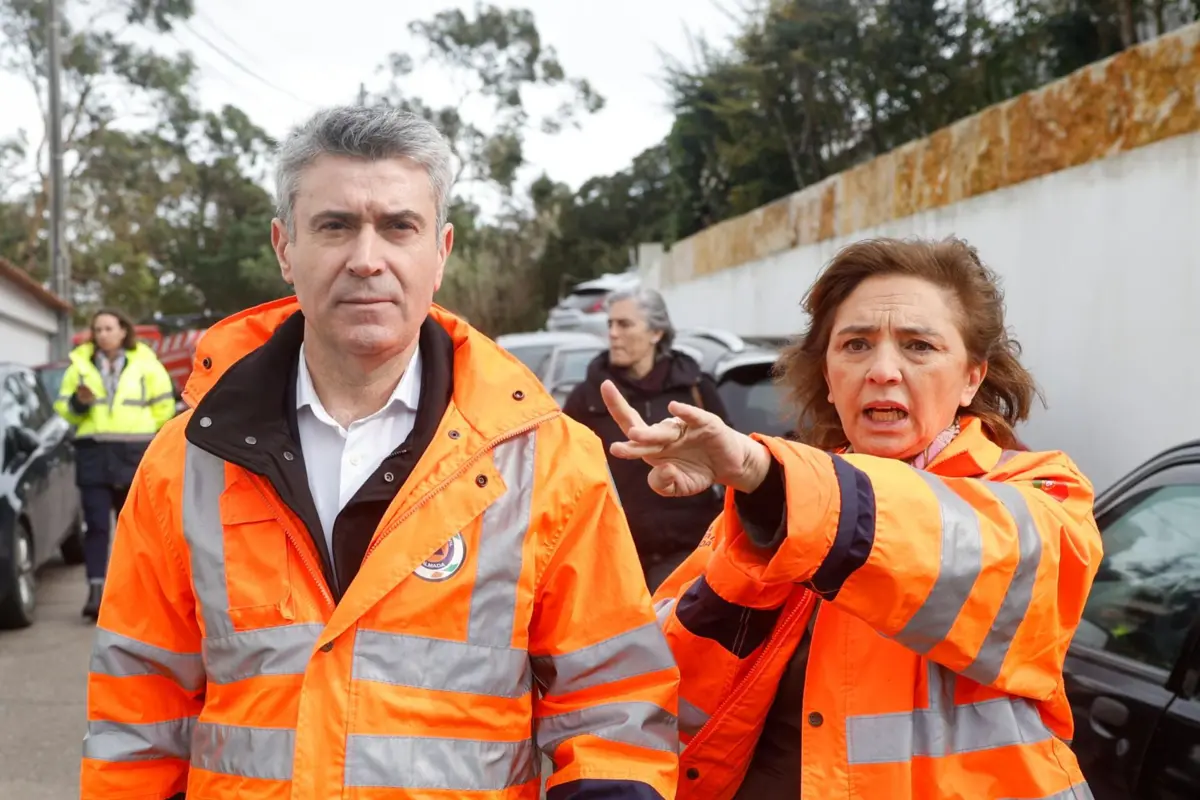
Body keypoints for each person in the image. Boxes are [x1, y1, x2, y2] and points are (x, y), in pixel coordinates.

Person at [81, 106, 679, 800]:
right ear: (284, 247)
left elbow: (612, 711)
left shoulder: (547, 462)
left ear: (441, 252)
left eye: (399, 226)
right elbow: (138, 714)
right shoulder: (185, 464)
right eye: (335, 226)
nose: (367, 259)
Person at [602, 237, 1102, 799]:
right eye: (856, 344)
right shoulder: (774, 505)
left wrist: (770, 482)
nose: (882, 370)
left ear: (972, 377)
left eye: (919, 346)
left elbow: (959, 549)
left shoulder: (1043, 491)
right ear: (828, 374)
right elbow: (663, 682)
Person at [563, 288, 729, 591]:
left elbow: (729, 460)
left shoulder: (695, 389)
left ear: (656, 332)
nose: (613, 333)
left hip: (689, 553)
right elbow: (565, 474)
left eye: (624, 324)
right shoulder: (587, 397)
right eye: (610, 324)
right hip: (613, 555)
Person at [53, 307, 175, 619]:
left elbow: (164, 408)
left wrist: (145, 437)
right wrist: (79, 403)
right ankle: (96, 593)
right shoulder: (79, 367)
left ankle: (138, 595)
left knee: (135, 528)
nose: (103, 335)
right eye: (98, 330)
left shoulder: (147, 364)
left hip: (133, 453)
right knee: (96, 526)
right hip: (93, 453)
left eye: (108, 328)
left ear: (123, 330)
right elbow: (65, 410)